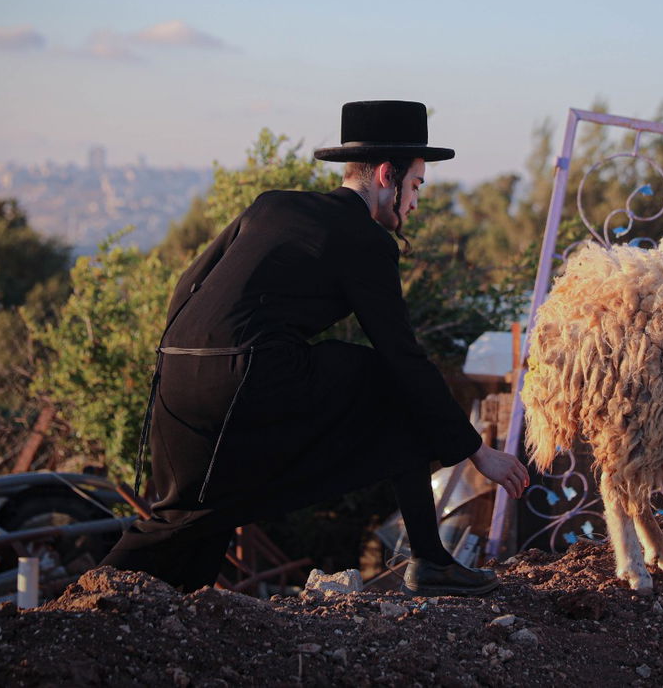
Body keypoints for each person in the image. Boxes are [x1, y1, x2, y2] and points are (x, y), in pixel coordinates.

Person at [101, 100, 529, 595]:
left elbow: (187, 284)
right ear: (387, 175)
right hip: (249, 375)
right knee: (394, 383)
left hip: (175, 376)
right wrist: (477, 452)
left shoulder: (271, 204)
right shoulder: (366, 241)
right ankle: (430, 560)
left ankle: (85, 604)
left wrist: (180, 359)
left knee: (187, 519)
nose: (414, 203)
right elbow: (402, 354)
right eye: (415, 186)